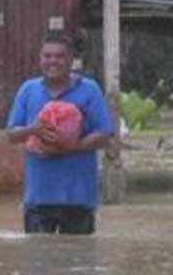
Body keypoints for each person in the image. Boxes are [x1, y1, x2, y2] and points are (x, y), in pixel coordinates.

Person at [6, 34, 114, 234]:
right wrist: (33, 129)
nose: (52, 61)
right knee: (38, 260)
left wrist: (71, 147)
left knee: (78, 260)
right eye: (47, 56)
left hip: (78, 199)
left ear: (71, 60)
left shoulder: (89, 90)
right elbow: (12, 134)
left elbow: (104, 134)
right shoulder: (28, 90)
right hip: (38, 199)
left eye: (59, 56)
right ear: (40, 59)